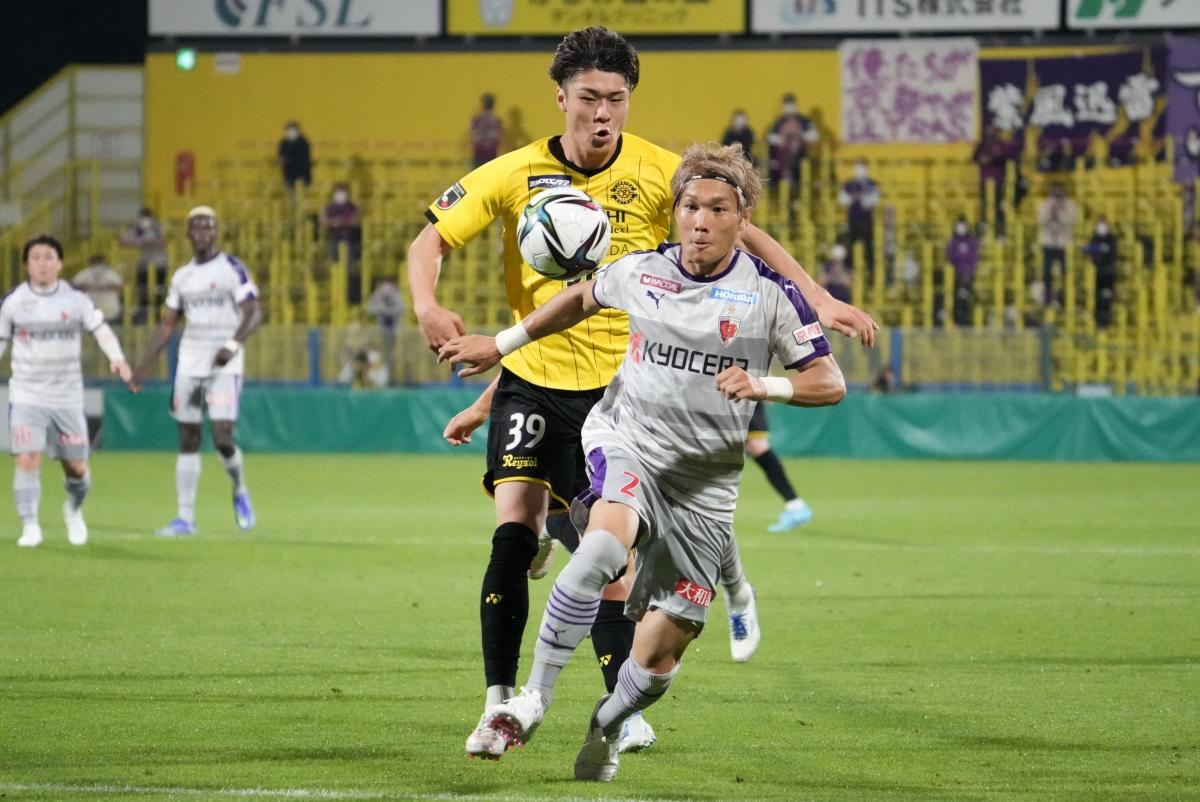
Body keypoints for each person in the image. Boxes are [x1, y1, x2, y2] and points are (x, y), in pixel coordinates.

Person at [408, 26, 876, 761]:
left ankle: (616, 711)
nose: (603, 113)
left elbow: (747, 234)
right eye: (588, 98)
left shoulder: (663, 173)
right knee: (514, 528)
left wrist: (818, 299)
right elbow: (429, 240)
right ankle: (500, 703)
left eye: (616, 99)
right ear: (560, 97)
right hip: (533, 377)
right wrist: (429, 306)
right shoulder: (513, 172)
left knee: (612, 563)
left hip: (621, 393)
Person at [130, 206, 260, 537]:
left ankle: (239, 488)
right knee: (188, 439)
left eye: (209, 227)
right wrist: (142, 367)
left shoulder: (231, 268)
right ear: (188, 234)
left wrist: (232, 344)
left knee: (222, 437)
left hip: (224, 364)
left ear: (216, 233)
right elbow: (167, 325)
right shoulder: (182, 277)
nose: (203, 233)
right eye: (197, 228)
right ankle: (185, 519)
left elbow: (252, 312)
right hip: (190, 363)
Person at [1, 235, 133, 547]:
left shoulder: (76, 300)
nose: (42, 263)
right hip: (27, 395)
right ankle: (30, 526)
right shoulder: (13, 302)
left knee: (76, 467)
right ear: (26, 264)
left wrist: (117, 358)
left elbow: (101, 330)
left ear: (60, 264)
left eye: (49, 257)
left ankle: (73, 509)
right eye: (36, 258)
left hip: (67, 397)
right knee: (27, 458)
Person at [745, 403, 813, 532]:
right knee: (754, 447)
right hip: (734, 402)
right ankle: (796, 506)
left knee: (756, 446)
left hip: (743, 401)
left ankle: (796, 507)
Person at [765, 93, 817, 208]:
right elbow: (770, 138)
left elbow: (814, 135)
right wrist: (782, 140)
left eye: (791, 104)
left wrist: (800, 137)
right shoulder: (779, 121)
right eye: (787, 105)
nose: (789, 107)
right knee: (774, 170)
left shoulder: (803, 120)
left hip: (801, 156)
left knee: (800, 169)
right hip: (782, 158)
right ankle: (784, 201)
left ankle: (797, 200)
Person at [119, 208, 168, 323]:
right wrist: (137, 241)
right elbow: (123, 240)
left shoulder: (157, 227)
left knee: (158, 290)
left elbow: (163, 241)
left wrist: (150, 242)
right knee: (142, 290)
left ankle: (157, 314)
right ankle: (144, 314)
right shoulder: (136, 229)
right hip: (143, 263)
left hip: (159, 263)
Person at [320, 183, 363, 303]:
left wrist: (338, 222)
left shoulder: (352, 207)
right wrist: (338, 222)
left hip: (350, 243)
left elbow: (355, 221)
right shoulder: (329, 207)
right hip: (334, 242)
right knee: (334, 268)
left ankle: (350, 297)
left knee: (349, 270)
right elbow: (323, 222)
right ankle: (335, 295)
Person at [1037, 182, 1077, 309]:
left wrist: (1059, 213)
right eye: (1055, 192)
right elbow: (1042, 222)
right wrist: (1051, 212)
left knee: (1066, 273)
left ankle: (1064, 298)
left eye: (1059, 192)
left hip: (1064, 245)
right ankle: (1047, 298)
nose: (1057, 195)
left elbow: (1071, 222)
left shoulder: (1071, 206)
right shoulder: (1044, 205)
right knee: (1047, 272)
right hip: (1048, 244)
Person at [838, 159, 880, 277]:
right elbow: (843, 200)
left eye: (862, 167)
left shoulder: (872, 184)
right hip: (852, 220)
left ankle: (871, 273)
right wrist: (854, 198)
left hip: (867, 221)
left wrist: (859, 198)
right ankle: (849, 271)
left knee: (869, 248)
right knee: (850, 246)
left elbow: (873, 201)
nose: (860, 170)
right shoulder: (849, 184)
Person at [366, 278, 403, 385]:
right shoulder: (377, 296)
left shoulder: (396, 297)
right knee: (376, 356)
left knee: (390, 357)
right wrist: (381, 308)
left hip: (393, 333)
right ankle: (374, 380)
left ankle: (390, 379)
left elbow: (400, 310)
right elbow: (370, 309)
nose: (386, 291)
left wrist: (384, 310)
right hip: (378, 332)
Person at [1083, 217, 1118, 328]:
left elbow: (1111, 251)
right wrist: (1096, 249)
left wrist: (1098, 249)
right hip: (1097, 273)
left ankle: (1106, 320)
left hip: (1108, 272)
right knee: (1097, 297)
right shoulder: (1095, 237)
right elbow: (1088, 249)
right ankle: (1098, 321)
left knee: (1107, 297)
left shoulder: (1111, 238)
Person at [72, 254, 124, 323]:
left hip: (107, 302)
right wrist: (89, 287)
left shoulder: (110, 273)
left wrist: (104, 287)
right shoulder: (85, 273)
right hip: (91, 301)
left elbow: (120, 285)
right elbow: (75, 285)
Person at [946, 217, 979, 327]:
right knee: (957, 297)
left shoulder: (971, 240)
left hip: (969, 274)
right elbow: (949, 257)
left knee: (968, 296)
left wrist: (969, 271)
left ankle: (968, 319)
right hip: (956, 274)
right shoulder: (953, 241)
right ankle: (957, 319)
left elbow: (974, 258)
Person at [469, 93, 504, 167]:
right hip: (491, 152)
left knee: (479, 173)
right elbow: (499, 137)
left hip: (480, 152)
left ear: (483, 104)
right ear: (493, 105)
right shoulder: (497, 120)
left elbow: (473, 135)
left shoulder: (477, 119)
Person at [278, 121, 312, 193]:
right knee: (290, 185)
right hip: (289, 171)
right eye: (289, 129)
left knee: (303, 186)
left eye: (293, 129)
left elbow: (306, 156)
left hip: (301, 169)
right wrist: (282, 160)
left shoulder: (303, 142)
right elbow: (281, 155)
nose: (291, 132)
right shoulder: (284, 142)